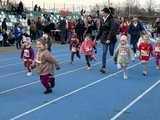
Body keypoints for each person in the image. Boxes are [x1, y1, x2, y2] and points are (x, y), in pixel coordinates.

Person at [95, 7, 117, 73]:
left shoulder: (111, 19)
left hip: (111, 38)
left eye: (103, 12)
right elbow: (100, 29)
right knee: (104, 52)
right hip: (104, 38)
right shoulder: (102, 19)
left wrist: (109, 39)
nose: (102, 13)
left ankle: (116, 57)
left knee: (111, 52)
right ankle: (103, 67)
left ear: (106, 13)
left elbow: (112, 30)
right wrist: (96, 38)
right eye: (102, 12)